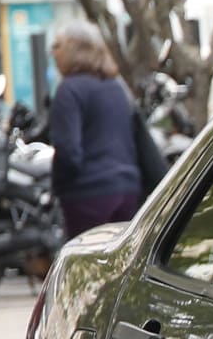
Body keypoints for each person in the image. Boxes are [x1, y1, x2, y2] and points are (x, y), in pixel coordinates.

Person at [44, 21, 143, 236]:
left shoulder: (69, 90)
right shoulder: (115, 88)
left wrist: (57, 188)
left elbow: (69, 154)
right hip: (127, 189)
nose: (53, 53)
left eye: (57, 46)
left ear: (74, 48)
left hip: (88, 195)